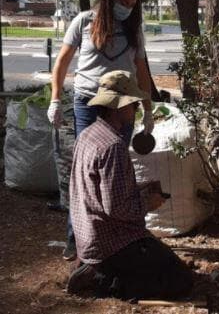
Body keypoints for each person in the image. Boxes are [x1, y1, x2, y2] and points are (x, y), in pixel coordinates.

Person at [47, 0, 154, 261]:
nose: (128, 7)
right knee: (84, 170)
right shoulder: (83, 21)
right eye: (123, 1)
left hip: (121, 103)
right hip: (87, 102)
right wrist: (56, 98)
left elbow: (142, 70)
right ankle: (77, 237)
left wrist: (147, 108)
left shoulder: (134, 28)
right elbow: (62, 63)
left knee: (117, 169)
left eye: (133, 2)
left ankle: (119, 236)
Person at [67, 70, 193, 300]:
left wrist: (138, 188)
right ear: (118, 107)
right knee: (182, 281)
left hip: (88, 236)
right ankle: (103, 281)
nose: (135, 109)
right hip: (112, 242)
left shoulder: (87, 135)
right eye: (133, 104)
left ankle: (101, 270)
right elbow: (116, 209)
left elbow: (94, 191)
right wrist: (149, 203)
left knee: (165, 263)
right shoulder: (113, 146)